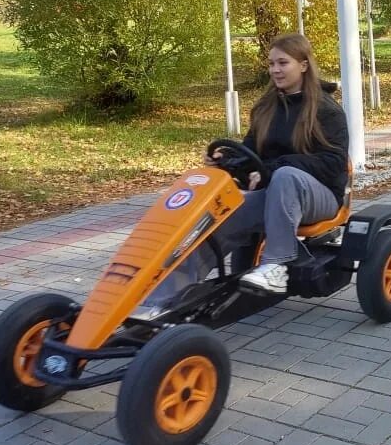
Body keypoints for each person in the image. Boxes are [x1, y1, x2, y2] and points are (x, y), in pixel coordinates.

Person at [135, 33, 349, 314]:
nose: (275, 70)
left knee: (286, 175)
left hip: (320, 196)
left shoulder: (326, 110)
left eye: (283, 63)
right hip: (276, 191)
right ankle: (158, 301)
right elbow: (252, 152)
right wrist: (227, 160)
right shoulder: (266, 107)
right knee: (216, 219)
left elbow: (333, 162)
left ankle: (276, 265)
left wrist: (274, 168)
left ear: (304, 65)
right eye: (271, 63)